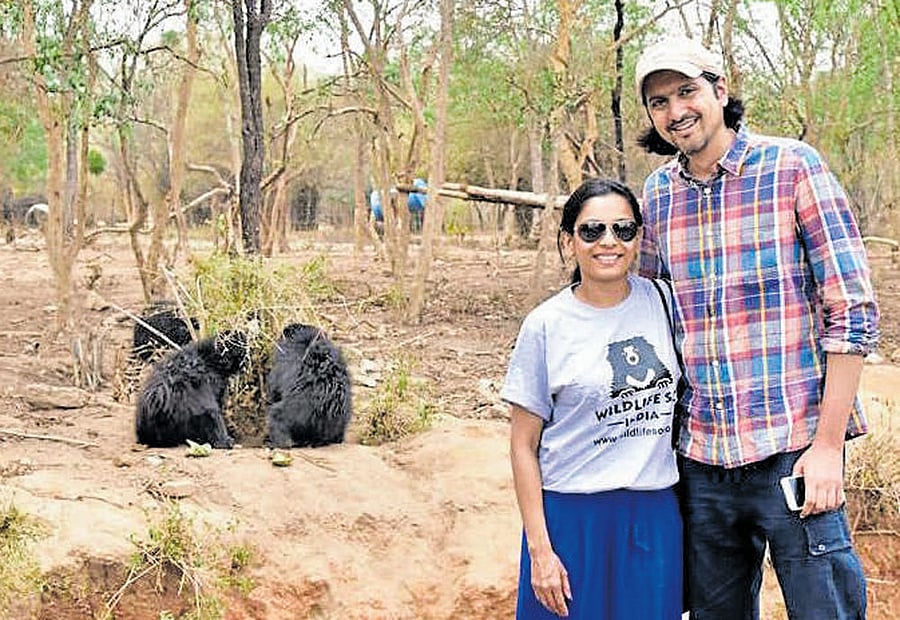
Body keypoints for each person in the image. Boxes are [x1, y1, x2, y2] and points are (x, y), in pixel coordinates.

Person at [635, 36, 879, 620]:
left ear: (720, 90)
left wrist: (826, 449)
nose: (676, 112)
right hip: (702, 460)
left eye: (687, 91)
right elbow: (643, 310)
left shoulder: (793, 166)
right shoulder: (658, 197)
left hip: (792, 450)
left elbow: (853, 309)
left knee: (828, 611)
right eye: (660, 102)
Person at [501, 177, 683, 619]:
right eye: (591, 231)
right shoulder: (546, 325)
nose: (609, 242)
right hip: (571, 520)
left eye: (623, 230)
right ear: (569, 241)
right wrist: (540, 550)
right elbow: (523, 446)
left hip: (653, 518)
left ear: (639, 238)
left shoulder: (665, 301)